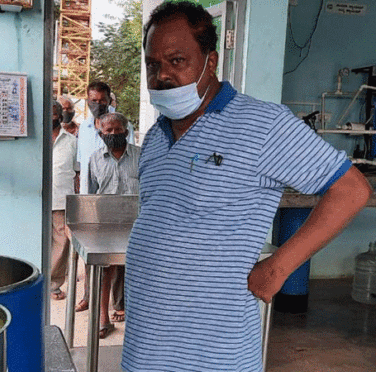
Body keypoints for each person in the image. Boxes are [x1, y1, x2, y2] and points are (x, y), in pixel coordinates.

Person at [122, 2, 372, 372]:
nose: (162, 76)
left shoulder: (261, 124)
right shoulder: (157, 134)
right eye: (153, 65)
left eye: (177, 61)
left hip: (213, 354)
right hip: (145, 347)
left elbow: (352, 190)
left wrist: (279, 267)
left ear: (211, 62)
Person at [75, 81, 136, 314]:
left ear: (109, 100)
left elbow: (126, 159)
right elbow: (84, 166)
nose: (97, 104)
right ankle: (89, 298)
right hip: (98, 202)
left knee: (120, 262)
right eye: (93, 99)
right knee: (95, 261)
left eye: (102, 100)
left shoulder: (121, 122)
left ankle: (119, 304)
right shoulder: (84, 128)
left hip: (124, 200)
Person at [88, 112, 140, 338]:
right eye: (108, 131)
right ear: (101, 134)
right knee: (104, 271)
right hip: (106, 223)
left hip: (137, 223)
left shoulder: (141, 155)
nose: (113, 134)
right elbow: (90, 193)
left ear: (126, 132)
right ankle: (103, 318)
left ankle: (140, 319)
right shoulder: (95, 158)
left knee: (139, 270)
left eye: (118, 130)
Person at [50, 100, 78, 301]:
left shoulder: (71, 141)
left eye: (53, 114)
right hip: (37, 200)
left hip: (61, 200)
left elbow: (77, 172)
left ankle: (53, 285)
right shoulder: (36, 140)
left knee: (61, 244)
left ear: (60, 117)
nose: (50, 118)